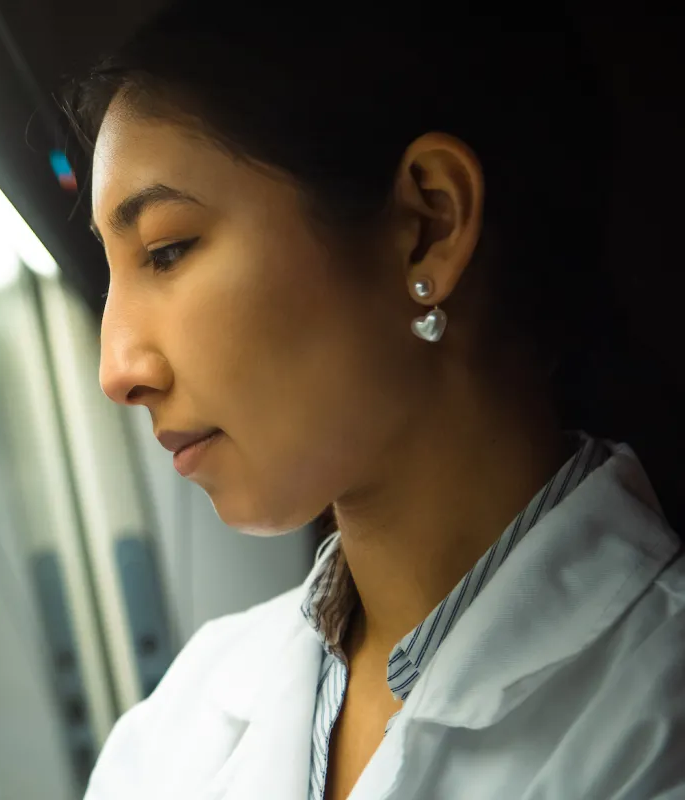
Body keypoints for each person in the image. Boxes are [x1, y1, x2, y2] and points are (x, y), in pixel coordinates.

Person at [69, 2, 685, 798]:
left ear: (428, 224)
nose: (116, 369)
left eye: (167, 249)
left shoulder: (656, 715)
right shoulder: (181, 720)